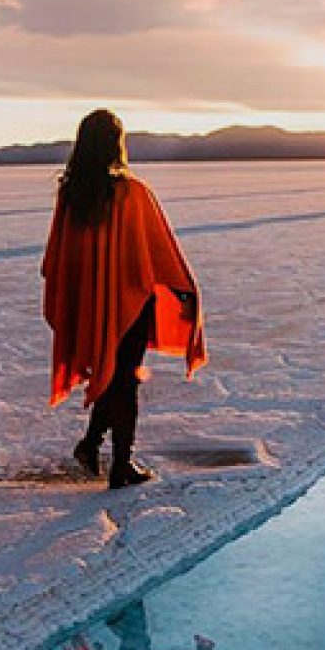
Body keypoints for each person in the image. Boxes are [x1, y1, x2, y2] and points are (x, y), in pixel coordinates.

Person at [41, 109, 207, 489]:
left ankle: (91, 444)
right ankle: (121, 465)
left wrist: (79, 296)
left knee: (113, 376)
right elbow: (159, 251)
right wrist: (184, 289)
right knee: (124, 380)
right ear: (117, 144)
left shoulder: (71, 196)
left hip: (91, 304)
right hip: (131, 303)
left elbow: (55, 260)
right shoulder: (133, 193)